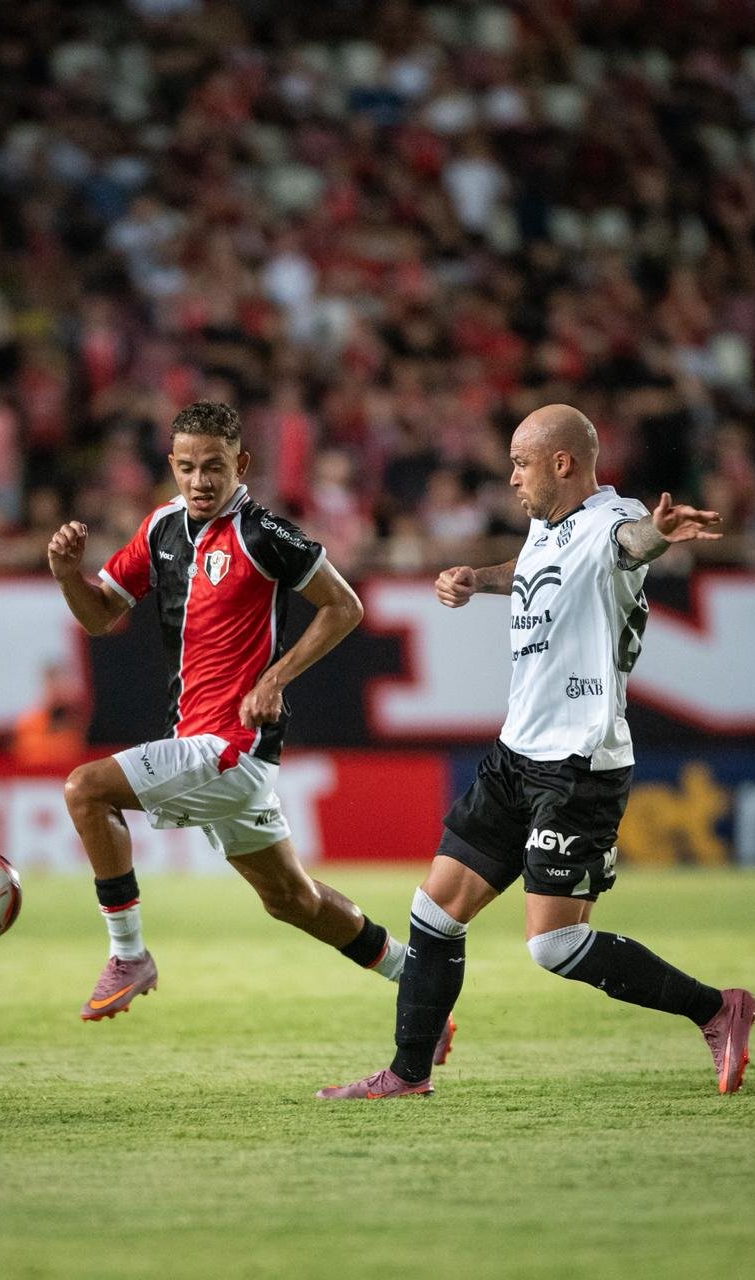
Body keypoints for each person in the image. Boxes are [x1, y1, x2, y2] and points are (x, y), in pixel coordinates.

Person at [317, 403, 755, 1100]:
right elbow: (532, 566)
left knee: (553, 946)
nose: (512, 477)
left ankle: (716, 1008)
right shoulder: (549, 529)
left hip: (579, 762)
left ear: (564, 463)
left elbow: (631, 545)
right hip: (515, 753)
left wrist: (661, 534)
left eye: (522, 463)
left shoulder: (613, 520)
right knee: (434, 913)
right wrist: (475, 578)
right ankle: (407, 1075)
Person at [47, 400, 454, 1064]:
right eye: (186, 467)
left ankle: (129, 956)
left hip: (232, 747)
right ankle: (421, 983)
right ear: (171, 468)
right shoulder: (159, 531)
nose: (200, 481)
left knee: (85, 790)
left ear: (241, 464)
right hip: (213, 749)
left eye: (213, 467)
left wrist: (275, 679)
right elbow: (98, 617)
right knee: (291, 900)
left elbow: (344, 606)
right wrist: (68, 574)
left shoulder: (264, 532)